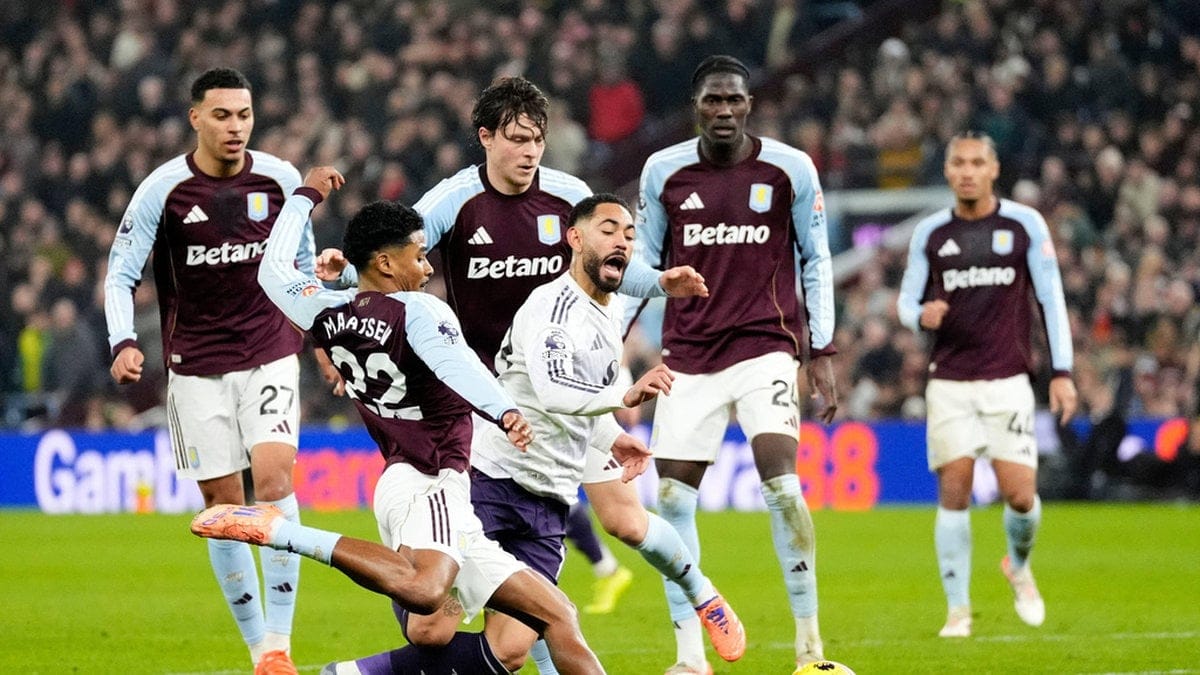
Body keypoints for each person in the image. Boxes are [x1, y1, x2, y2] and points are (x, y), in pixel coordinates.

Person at [317, 76, 714, 672]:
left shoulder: (568, 195)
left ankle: (701, 604)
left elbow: (605, 262)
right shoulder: (454, 200)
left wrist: (658, 282)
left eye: (537, 140)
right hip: (485, 401)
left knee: (626, 520)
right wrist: (347, 273)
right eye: (517, 139)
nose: (530, 152)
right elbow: (395, 253)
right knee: (440, 622)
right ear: (486, 138)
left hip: (563, 386)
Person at [196, 165, 605, 675]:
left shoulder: (322, 309)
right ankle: (283, 532)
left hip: (412, 483)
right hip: (430, 480)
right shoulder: (419, 311)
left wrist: (304, 196)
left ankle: (346, 674)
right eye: (419, 255)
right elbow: (458, 366)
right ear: (387, 263)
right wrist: (504, 410)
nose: (428, 267)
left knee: (551, 615)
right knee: (426, 589)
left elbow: (272, 271)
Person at [627, 55, 839, 675]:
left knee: (783, 487)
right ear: (696, 107)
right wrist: (608, 346)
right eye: (713, 101)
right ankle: (691, 659)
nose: (724, 111)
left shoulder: (789, 169)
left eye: (734, 100)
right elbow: (641, 268)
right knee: (672, 502)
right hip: (688, 358)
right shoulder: (663, 171)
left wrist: (821, 350)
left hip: (765, 348)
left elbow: (816, 259)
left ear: (750, 105)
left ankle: (811, 652)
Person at [103, 67, 316, 675]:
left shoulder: (280, 179)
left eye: (244, 115)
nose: (235, 127)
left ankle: (280, 644)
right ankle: (258, 652)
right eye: (222, 115)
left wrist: (324, 338)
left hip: (269, 351)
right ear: (195, 118)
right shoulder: (163, 189)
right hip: (196, 367)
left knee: (273, 482)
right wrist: (123, 341)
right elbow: (121, 272)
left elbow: (301, 266)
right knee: (223, 508)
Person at [896, 131, 1078, 638]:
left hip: (1008, 379)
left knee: (1020, 496)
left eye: (977, 162)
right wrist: (920, 315)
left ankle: (1018, 566)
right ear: (947, 170)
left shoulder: (1023, 225)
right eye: (959, 163)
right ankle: (958, 610)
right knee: (954, 490)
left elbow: (1051, 299)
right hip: (950, 381)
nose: (968, 171)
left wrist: (1062, 372)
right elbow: (905, 301)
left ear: (994, 169)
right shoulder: (931, 233)